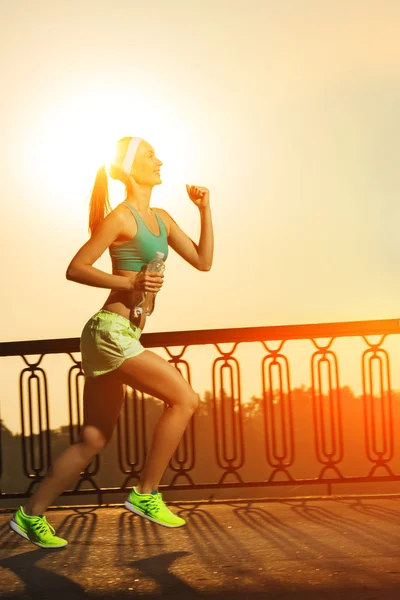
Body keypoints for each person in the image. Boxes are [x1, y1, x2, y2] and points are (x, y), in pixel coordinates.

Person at [9, 136, 214, 548]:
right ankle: (145, 494)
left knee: (93, 440)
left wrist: (204, 210)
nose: (161, 161)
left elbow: (203, 261)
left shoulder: (162, 218)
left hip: (120, 334)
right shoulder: (121, 218)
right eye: (152, 155)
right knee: (185, 399)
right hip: (110, 331)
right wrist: (131, 281)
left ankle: (28, 516)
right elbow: (76, 268)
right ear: (132, 165)